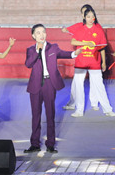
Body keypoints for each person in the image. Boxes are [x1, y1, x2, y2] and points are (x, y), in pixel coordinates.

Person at [24, 24, 79, 154]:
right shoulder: (31, 50)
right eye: (38, 33)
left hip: (49, 84)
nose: (41, 35)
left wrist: (74, 53)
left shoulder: (53, 47)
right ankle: (35, 144)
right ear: (33, 36)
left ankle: (50, 144)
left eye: (43, 32)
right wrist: (37, 51)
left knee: (50, 115)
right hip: (35, 85)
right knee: (35, 116)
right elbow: (28, 64)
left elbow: (65, 54)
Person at [66, 7, 115, 117]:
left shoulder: (98, 30)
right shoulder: (80, 29)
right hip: (81, 62)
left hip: (94, 62)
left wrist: (103, 62)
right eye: (88, 17)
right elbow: (73, 41)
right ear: (84, 17)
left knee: (99, 85)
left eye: (93, 17)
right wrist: (86, 43)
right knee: (79, 86)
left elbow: (102, 47)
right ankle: (79, 110)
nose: (91, 19)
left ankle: (107, 109)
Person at [62, 3, 94, 111]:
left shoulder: (96, 27)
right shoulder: (79, 26)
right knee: (77, 82)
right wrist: (65, 29)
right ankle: (73, 104)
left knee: (96, 82)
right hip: (81, 58)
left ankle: (95, 103)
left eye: (87, 12)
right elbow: (68, 30)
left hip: (93, 58)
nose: (85, 14)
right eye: (83, 13)